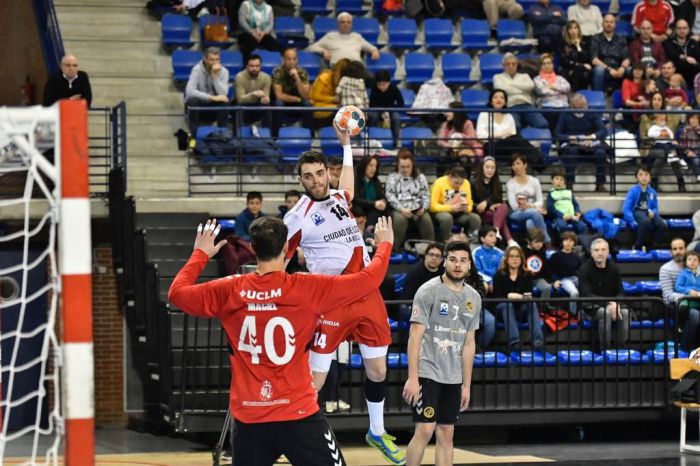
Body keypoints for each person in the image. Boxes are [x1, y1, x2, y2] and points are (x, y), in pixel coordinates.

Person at [168, 216, 394, 466]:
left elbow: (176, 294)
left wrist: (200, 254)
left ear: (252, 249)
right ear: (287, 248)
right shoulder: (307, 288)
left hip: (250, 419)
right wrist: (384, 246)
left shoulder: (229, 290)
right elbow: (369, 281)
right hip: (298, 414)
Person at [283, 127, 404, 465]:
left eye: (320, 173)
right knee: (315, 381)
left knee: (378, 370)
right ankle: (290, 431)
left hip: (365, 292)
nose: (315, 180)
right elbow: (277, 258)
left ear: (327, 173)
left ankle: (376, 431)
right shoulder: (296, 218)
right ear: (301, 180)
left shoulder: (339, 198)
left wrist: (347, 144)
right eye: (308, 176)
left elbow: (348, 184)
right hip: (332, 298)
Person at [403, 242, 480, 466]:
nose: (458, 265)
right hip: (428, 371)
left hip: (453, 376)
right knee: (425, 430)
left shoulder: (473, 298)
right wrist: (413, 378)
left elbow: (469, 344)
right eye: (453, 259)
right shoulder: (428, 291)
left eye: (463, 260)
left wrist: (466, 385)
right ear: (445, 261)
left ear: (469, 265)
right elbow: (414, 336)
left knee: (446, 432)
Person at [578, 238, 630, 350]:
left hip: (611, 305)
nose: (600, 253)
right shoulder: (584, 269)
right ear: (592, 253)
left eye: (603, 250)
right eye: (596, 250)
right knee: (605, 313)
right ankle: (605, 350)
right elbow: (587, 295)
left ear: (608, 252)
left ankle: (620, 349)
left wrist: (616, 304)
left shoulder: (614, 268)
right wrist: (608, 304)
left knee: (625, 312)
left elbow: (621, 292)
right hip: (589, 308)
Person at [493, 245, 544, 351]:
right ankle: (514, 342)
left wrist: (522, 297)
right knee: (507, 305)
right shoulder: (499, 275)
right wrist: (509, 296)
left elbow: (528, 294)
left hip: (521, 309)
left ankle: (538, 342)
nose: (514, 259)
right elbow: (496, 297)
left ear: (521, 260)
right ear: (506, 259)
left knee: (532, 304)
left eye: (517, 256)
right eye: (511, 256)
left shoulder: (527, 275)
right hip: (503, 310)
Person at [555, 92, 609, 191]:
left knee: (600, 153)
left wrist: (592, 137)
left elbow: (603, 130)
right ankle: (569, 184)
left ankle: (600, 184)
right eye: (577, 108)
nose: (580, 110)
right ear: (572, 106)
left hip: (590, 144)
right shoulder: (565, 115)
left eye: (582, 107)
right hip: (572, 144)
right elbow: (558, 134)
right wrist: (570, 138)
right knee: (571, 153)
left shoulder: (592, 113)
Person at [476, 89, 543, 168]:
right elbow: (480, 135)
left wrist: (499, 136)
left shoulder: (509, 116)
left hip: (508, 147)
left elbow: (512, 133)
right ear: (491, 101)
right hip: (491, 147)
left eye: (502, 97)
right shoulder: (484, 115)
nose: (499, 99)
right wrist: (502, 135)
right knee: (516, 140)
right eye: (495, 97)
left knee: (516, 141)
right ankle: (539, 162)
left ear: (505, 102)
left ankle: (535, 163)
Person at [385, 149, 435, 252]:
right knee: (400, 220)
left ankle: (431, 250)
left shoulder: (420, 177)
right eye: (402, 167)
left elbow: (426, 194)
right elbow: (389, 195)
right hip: (399, 209)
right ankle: (393, 250)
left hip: (417, 208)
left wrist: (423, 208)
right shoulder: (392, 177)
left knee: (426, 219)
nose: (405, 170)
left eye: (408, 167)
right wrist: (402, 209)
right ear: (397, 165)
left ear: (412, 165)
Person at [661, 238, 700, 351]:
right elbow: (668, 294)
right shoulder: (665, 269)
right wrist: (689, 295)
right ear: (671, 252)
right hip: (675, 304)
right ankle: (684, 348)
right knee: (695, 315)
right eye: (675, 249)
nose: (678, 251)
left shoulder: (694, 266)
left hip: (696, 301)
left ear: (686, 249)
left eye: (681, 248)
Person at [493, 53, 549, 130]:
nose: (511, 66)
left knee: (543, 124)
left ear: (517, 65)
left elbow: (530, 86)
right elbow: (501, 89)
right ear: (503, 66)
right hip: (510, 106)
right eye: (508, 64)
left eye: (513, 64)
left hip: (527, 105)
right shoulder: (497, 77)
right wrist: (522, 89)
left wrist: (510, 85)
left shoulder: (525, 76)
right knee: (515, 127)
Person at [505, 154, 552, 246]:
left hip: (533, 212)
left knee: (530, 223)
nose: (515, 167)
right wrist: (532, 209)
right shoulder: (510, 184)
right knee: (534, 213)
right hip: (517, 214)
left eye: (518, 164)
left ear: (525, 165)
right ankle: (547, 242)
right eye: (513, 165)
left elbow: (540, 201)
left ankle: (534, 248)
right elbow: (514, 206)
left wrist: (530, 206)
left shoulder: (534, 181)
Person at [429, 166, 482, 243]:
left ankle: (471, 242)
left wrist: (466, 208)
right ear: (450, 177)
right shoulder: (439, 182)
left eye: (461, 183)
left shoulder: (466, 183)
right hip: (441, 212)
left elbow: (470, 203)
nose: (459, 186)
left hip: (459, 213)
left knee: (475, 218)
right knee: (447, 218)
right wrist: (451, 208)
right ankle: (445, 242)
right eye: (456, 183)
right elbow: (432, 206)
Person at [471, 157, 516, 247]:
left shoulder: (497, 183)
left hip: (494, 212)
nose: (490, 170)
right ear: (482, 168)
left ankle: (496, 230)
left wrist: (488, 204)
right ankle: (509, 240)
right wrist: (487, 205)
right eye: (487, 167)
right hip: (479, 213)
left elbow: (498, 202)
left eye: (492, 168)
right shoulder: (473, 182)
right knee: (500, 218)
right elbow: (472, 203)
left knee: (504, 207)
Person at [307, 12, 380, 66]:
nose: (346, 24)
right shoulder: (330, 36)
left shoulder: (357, 37)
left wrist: (374, 51)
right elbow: (312, 47)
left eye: (348, 22)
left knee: (371, 79)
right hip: (338, 67)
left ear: (351, 25)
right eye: (343, 22)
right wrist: (323, 51)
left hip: (356, 67)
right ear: (338, 24)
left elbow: (371, 48)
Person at [622, 165, 668, 250]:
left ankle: (654, 245)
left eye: (646, 175)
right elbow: (626, 208)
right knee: (645, 221)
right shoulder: (632, 191)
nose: (644, 177)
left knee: (662, 224)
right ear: (637, 177)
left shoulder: (652, 192)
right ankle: (638, 245)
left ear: (650, 177)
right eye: (641, 175)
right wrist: (631, 219)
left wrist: (653, 213)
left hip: (648, 212)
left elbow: (655, 207)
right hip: (637, 212)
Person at [185, 47, 230, 132]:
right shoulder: (197, 69)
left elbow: (223, 94)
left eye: (217, 59)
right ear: (205, 59)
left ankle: (222, 134)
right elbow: (189, 91)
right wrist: (211, 97)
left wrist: (215, 78)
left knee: (225, 102)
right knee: (192, 102)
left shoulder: (224, 71)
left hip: (213, 105)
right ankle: (194, 135)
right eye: (212, 60)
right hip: (199, 103)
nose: (215, 63)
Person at [271, 47, 313, 136]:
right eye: (289, 59)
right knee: (278, 103)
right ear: (283, 60)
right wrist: (297, 99)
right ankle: (275, 136)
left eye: (294, 59)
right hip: (285, 102)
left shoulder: (302, 72)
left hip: (298, 101)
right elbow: (279, 95)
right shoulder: (277, 71)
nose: (292, 62)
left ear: (297, 60)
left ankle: (310, 136)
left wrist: (297, 78)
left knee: (307, 104)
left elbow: (306, 96)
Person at [437, 102, 483, 176]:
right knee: (441, 158)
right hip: (450, 150)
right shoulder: (446, 124)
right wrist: (450, 145)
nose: (446, 113)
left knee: (465, 160)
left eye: (449, 111)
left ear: (456, 112)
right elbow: (441, 141)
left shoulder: (467, 123)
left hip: (465, 149)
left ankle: (466, 184)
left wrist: (461, 137)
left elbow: (472, 140)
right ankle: (440, 183)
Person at [646, 112, 687, 191]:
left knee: (677, 150)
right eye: (660, 119)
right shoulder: (654, 127)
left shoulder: (667, 128)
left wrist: (667, 134)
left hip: (668, 144)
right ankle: (654, 182)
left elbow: (671, 136)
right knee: (665, 154)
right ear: (656, 120)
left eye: (664, 119)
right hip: (658, 146)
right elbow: (650, 134)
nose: (662, 120)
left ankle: (681, 183)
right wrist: (660, 133)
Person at [591, 14, 631, 93]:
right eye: (606, 22)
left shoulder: (621, 39)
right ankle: (598, 96)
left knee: (630, 70)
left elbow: (627, 58)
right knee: (598, 70)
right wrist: (609, 69)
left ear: (615, 25)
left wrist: (622, 67)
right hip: (604, 68)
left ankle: (628, 97)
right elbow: (594, 59)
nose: (609, 24)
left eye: (611, 22)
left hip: (618, 68)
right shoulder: (596, 38)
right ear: (602, 23)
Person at [533, 53, 571, 130]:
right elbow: (542, 91)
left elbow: (567, 87)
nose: (547, 65)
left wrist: (553, 87)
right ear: (540, 66)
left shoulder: (559, 78)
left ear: (553, 65)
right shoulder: (537, 79)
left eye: (549, 63)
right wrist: (560, 91)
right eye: (544, 64)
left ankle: (562, 140)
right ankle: (554, 139)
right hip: (546, 106)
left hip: (563, 106)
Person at [549, 231, 583, 316]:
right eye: (566, 240)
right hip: (563, 279)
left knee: (586, 287)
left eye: (571, 240)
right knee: (574, 293)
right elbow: (550, 271)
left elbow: (581, 271)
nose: (568, 243)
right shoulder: (555, 256)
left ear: (574, 243)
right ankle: (573, 314)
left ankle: (584, 313)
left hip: (574, 278)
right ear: (562, 242)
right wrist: (555, 280)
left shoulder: (577, 257)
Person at [369, 70, 404, 147]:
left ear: (389, 83)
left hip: (391, 110)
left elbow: (401, 103)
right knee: (373, 116)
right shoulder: (374, 89)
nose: (381, 87)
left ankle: (396, 142)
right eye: (379, 84)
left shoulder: (394, 88)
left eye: (384, 84)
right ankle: (372, 140)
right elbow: (371, 104)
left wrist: (390, 110)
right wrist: (382, 112)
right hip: (377, 111)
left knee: (396, 118)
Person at [234, 54, 272, 127]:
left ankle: (267, 134)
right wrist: (253, 94)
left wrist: (265, 99)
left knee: (267, 107)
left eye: (257, 66)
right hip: (243, 106)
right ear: (246, 66)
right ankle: (238, 135)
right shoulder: (239, 77)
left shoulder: (266, 77)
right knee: (238, 107)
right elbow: (240, 100)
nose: (254, 68)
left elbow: (265, 97)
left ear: (260, 66)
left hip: (258, 105)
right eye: (251, 66)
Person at [547, 167, 587, 234]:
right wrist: (562, 215)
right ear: (552, 181)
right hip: (560, 217)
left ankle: (577, 242)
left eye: (561, 179)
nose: (559, 181)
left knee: (582, 226)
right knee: (562, 226)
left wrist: (577, 212)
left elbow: (575, 204)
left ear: (564, 182)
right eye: (556, 179)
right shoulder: (551, 194)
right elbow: (550, 209)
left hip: (572, 215)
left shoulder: (569, 192)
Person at [310, 59, 349, 126]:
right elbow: (315, 96)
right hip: (320, 105)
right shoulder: (324, 77)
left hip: (336, 107)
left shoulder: (345, 81)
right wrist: (332, 99)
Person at [523, 228, 556, 303]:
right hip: (525, 279)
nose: (539, 244)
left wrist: (553, 280)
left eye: (541, 242)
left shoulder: (542, 251)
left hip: (538, 278)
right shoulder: (523, 251)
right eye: (536, 242)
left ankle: (543, 309)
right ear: (528, 241)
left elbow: (545, 267)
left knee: (547, 288)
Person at [663, 19, 700, 87]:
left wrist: (695, 63)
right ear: (675, 30)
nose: (682, 30)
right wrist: (684, 57)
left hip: (693, 78)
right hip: (675, 78)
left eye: (684, 28)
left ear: (688, 29)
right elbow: (671, 55)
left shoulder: (693, 43)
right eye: (679, 28)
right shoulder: (669, 43)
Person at [354, 155, 388, 227]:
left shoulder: (376, 181)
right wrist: (374, 204)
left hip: (374, 210)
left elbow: (382, 196)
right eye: (371, 165)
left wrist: (383, 202)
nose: (373, 169)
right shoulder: (356, 180)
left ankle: (371, 231)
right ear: (364, 166)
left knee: (379, 212)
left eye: (375, 166)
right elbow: (356, 199)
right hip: (361, 209)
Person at [559, 20, 593, 92]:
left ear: (578, 29)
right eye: (570, 28)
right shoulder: (563, 43)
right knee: (578, 69)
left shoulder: (584, 42)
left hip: (582, 70)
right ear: (567, 31)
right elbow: (564, 61)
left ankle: (579, 94)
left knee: (581, 71)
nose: (573, 31)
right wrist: (580, 65)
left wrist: (578, 46)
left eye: (575, 28)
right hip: (568, 69)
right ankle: (574, 93)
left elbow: (586, 59)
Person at [473, 225, 505, 292]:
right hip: (482, 280)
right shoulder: (476, 252)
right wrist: (489, 280)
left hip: (497, 280)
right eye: (491, 236)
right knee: (484, 286)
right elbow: (476, 271)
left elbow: (501, 270)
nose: (494, 239)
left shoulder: (500, 253)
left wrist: (494, 280)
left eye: (495, 236)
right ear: (482, 238)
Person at [678, 112, 700, 182]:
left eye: (696, 118)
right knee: (695, 160)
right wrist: (688, 151)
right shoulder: (685, 130)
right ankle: (698, 176)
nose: (694, 120)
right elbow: (682, 144)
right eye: (692, 118)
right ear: (689, 119)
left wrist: (697, 129)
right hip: (690, 153)